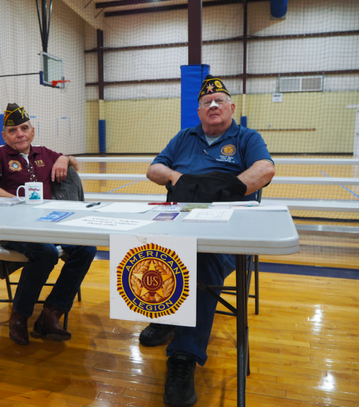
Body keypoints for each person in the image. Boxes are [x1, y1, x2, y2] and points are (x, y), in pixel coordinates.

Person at [143, 75, 275, 407]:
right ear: (199, 111)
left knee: (200, 260)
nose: (212, 105)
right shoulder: (184, 137)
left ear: (231, 107)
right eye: (206, 102)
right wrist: (175, 177)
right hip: (181, 223)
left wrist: (225, 191)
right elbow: (153, 169)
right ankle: (164, 316)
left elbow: (265, 169)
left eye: (219, 101)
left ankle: (183, 357)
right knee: (150, 245)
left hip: (229, 233)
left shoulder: (247, 137)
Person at [0, 103, 97, 345]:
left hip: (48, 224)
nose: (19, 134)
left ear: (32, 131)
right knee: (45, 252)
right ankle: (19, 316)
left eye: (24, 128)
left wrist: (64, 158)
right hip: (14, 227)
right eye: (12, 130)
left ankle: (51, 313)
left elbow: (75, 164)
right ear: (4, 135)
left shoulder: (43, 153)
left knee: (87, 247)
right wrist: (17, 201)